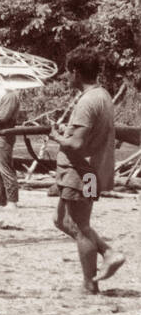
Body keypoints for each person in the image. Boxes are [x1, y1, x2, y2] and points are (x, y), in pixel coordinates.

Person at [51, 47, 126, 294]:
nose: (65, 77)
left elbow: (77, 145)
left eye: (67, 72)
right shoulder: (103, 95)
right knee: (61, 220)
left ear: (76, 72)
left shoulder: (87, 101)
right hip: (92, 173)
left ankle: (90, 285)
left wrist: (56, 136)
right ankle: (107, 252)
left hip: (80, 174)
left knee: (81, 227)